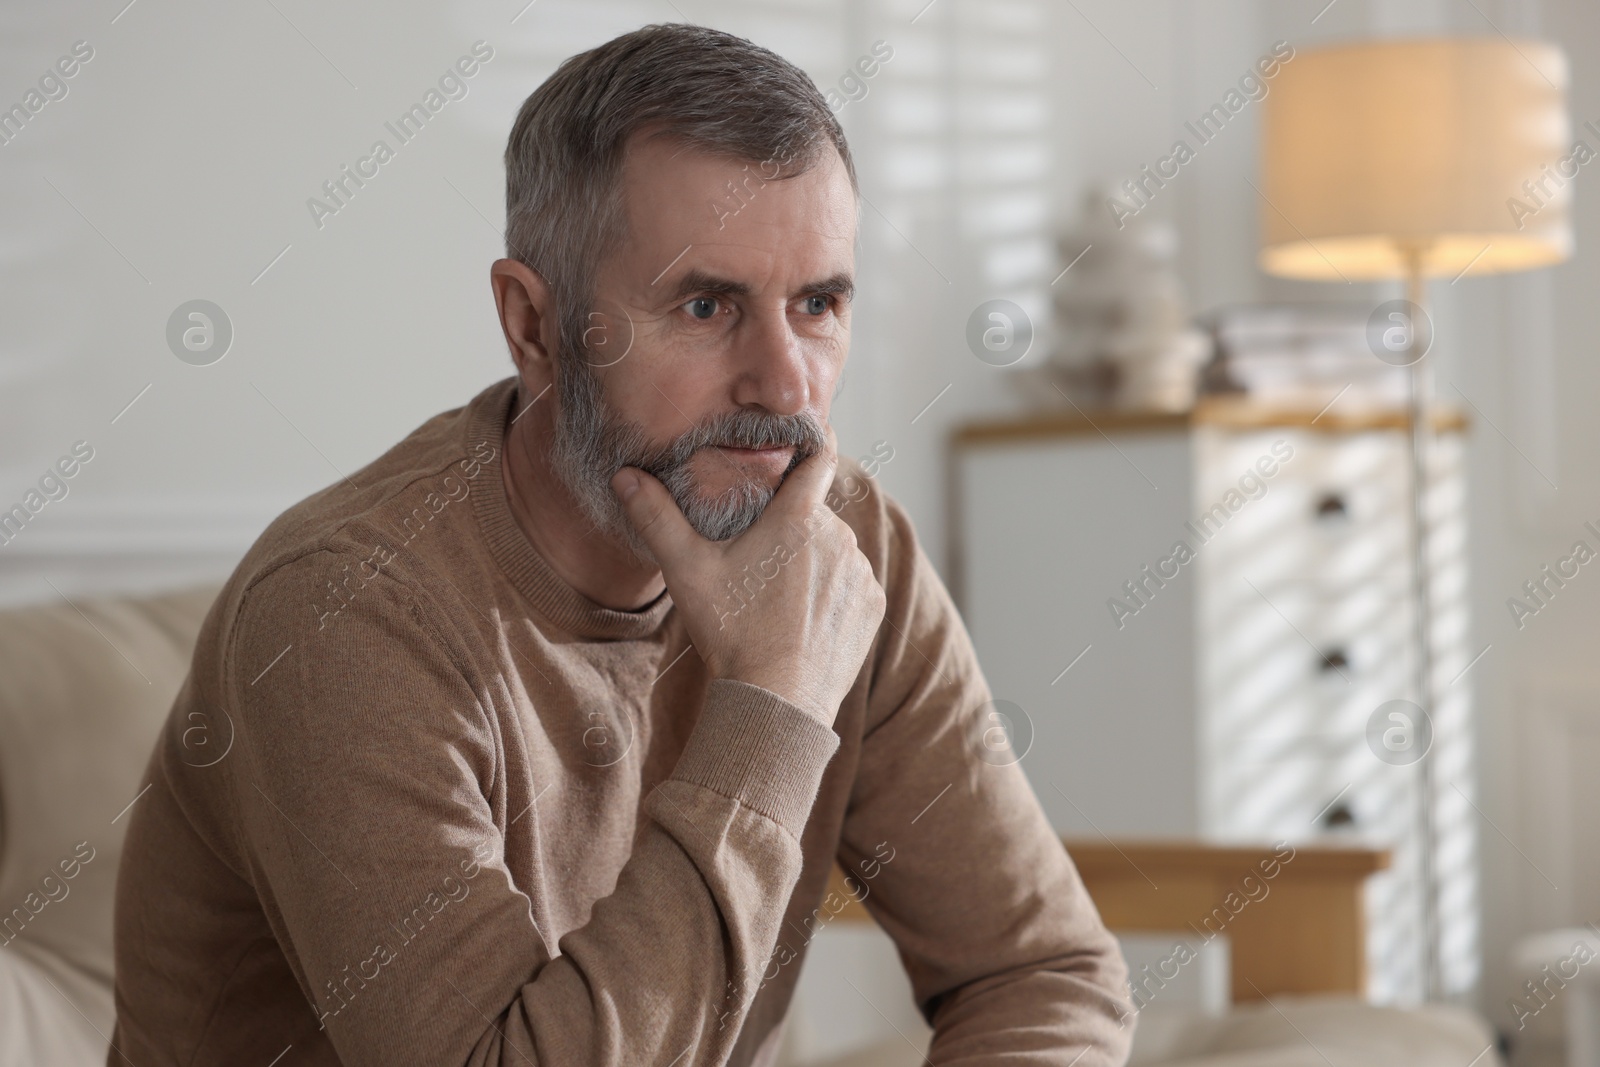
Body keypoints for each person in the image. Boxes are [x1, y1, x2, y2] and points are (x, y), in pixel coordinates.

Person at [110, 23, 1131, 1067]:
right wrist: (771, 706)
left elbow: (1037, 970)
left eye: (817, 304)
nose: (785, 385)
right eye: (705, 304)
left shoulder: (844, 552)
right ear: (533, 325)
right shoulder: (343, 610)